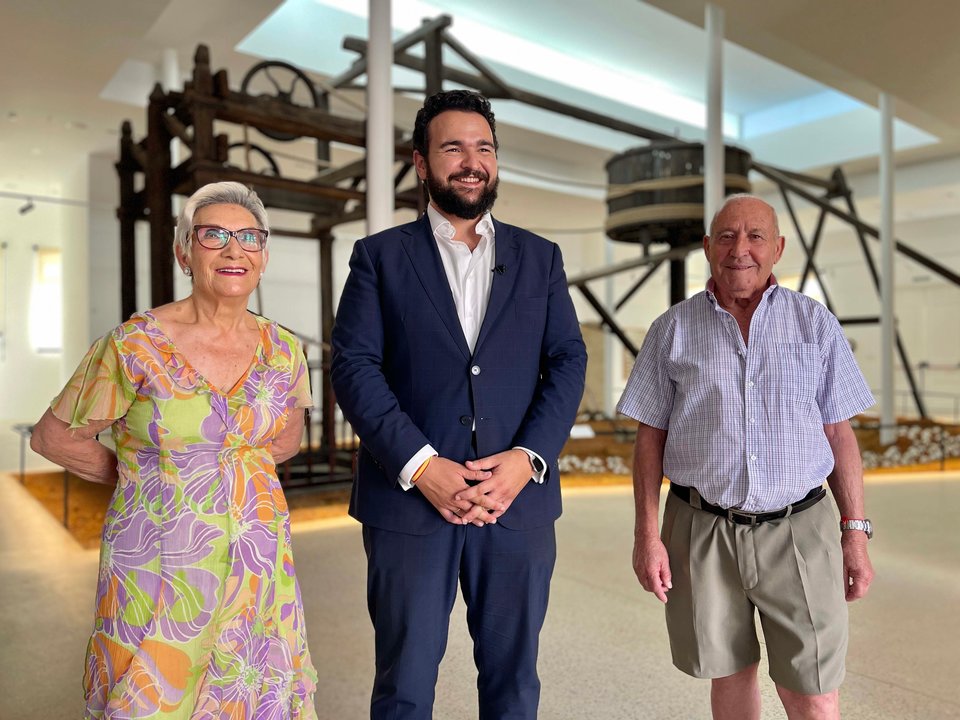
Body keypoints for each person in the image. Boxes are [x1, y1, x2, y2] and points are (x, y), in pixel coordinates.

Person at [331, 89, 586, 720]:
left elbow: (568, 361)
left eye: (484, 148)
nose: (471, 162)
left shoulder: (541, 258)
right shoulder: (379, 258)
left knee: (513, 682)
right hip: (408, 505)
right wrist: (421, 465)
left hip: (516, 502)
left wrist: (527, 460)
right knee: (404, 685)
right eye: (453, 147)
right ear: (421, 163)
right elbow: (354, 366)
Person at [30, 182, 318, 718]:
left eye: (250, 237)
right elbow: (54, 437)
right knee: (150, 697)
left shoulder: (285, 349)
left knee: (250, 694)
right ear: (184, 252)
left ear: (264, 256)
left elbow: (284, 440)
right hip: (157, 566)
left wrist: (223, 472)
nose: (235, 250)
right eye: (214, 235)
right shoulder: (132, 345)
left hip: (258, 568)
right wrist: (147, 474)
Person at [617, 194, 875, 720]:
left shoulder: (815, 325)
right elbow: (650, 440)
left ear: (777, 248)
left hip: (800, 530)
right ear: (708, 247)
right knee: (728, 673)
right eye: (728, 236)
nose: (742, 249)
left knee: (814, 684)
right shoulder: (672, 330)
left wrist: (855, 532)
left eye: (756, 236)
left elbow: (839, 433)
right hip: (701, 529)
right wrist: (647, 535)